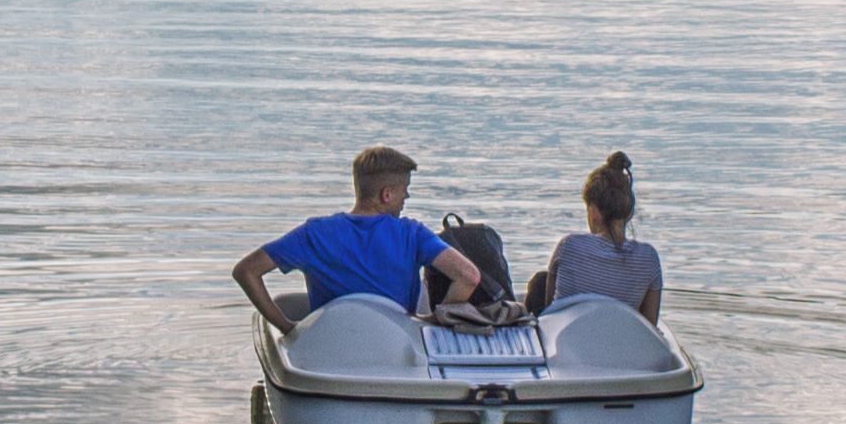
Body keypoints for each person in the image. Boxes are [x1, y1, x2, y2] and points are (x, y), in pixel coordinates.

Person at [234, 147, 506, 329]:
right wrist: (433, 320)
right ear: (387, 194)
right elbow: (469, 276)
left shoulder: (314, 233)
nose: (406, 197)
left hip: (329, 345)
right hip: (397, 344)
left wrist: (286, 327)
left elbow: (246, 271)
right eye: (405, 189)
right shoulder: (411, 233)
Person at [527, 153, 662, 322]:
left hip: (569, 333)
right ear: (629, 212)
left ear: (594, 211)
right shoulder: (649, 258)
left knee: (540, 282)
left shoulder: (569, 245)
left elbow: (549, 310)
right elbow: (649, 325)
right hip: (620, 333)